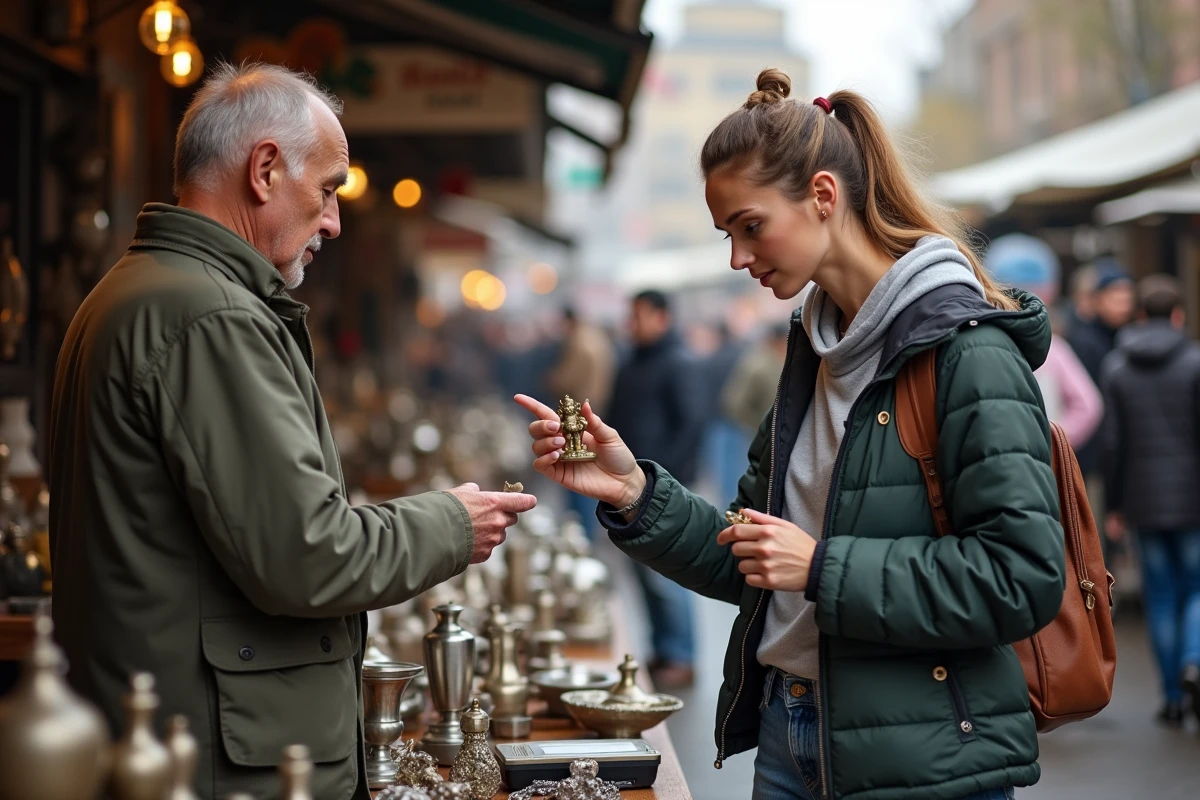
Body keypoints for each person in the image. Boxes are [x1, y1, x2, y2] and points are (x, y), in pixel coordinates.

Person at [517, 69, 1064, 800]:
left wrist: (821, 568)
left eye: (750, 226)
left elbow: (1021, 581)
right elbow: (755, 560)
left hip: (923, 765)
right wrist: (635, 491)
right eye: (726, 235)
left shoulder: (970, 352)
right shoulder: (813, 352)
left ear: (824, 197)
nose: (739, 258)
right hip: (787, 737)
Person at [48, 62, 535, 800]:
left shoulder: (138, 291)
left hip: (180, 738)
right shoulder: (211, 316)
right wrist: (450, 524)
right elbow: (306, 555)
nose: (335, 221)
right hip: (222, 758)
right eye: (330, 188)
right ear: (266, 169)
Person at [1101, 275, 1200, 728]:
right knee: (1196, 588)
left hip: (1141, 499)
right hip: (1193, 498)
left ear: (1140, 315)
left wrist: (1114, 506)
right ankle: (1195, 658)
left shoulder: (1117, 368)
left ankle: (1172, 696)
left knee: (1160, 596)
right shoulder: (1196, 362)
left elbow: (1114, 444)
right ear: (1178, 315)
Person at [602, 289, 703, 689]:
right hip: (629, 489)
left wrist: (666, 480)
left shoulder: (679, 362)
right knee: (643, 573)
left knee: (669, 575)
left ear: (662, 317)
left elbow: (692, 423)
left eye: (639, 316)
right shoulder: (631, 363)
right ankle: (663, 648)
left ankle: (682, 654)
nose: (632, 324)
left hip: (662, 488)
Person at [985, 234, 1103, 448]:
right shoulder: (1055, 348)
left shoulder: (980, 347)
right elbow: (1089, 406)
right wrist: (1052, 441)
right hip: (1045, 466)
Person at [721, 321, 789, 435]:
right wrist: (760, 425)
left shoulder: (783, 360)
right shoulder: (758, 365)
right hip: (760, 435)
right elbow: (734, 404)